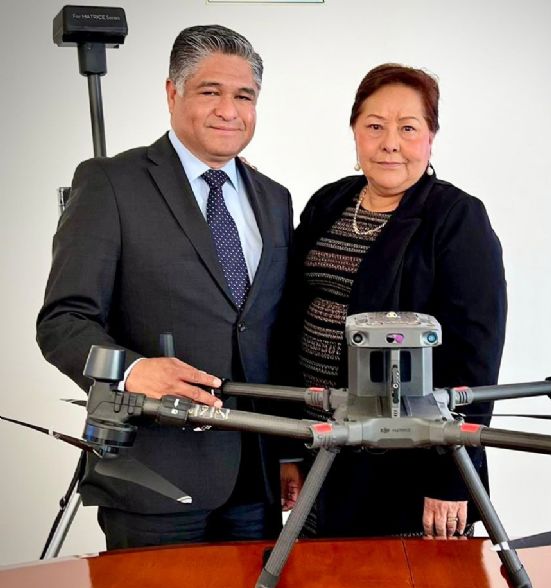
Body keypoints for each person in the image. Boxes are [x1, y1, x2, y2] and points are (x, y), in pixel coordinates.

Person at [37, 25, 300, 549]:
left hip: (256, 481)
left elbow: (274, 329)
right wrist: (133, 371)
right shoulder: (111, 183)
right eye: (210, 91)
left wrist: (290, 451)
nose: (228, 110)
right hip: (153, 477)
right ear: (172, 92)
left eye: (244, 96)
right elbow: (63, 321)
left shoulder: (275, 198)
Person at [278, 64, 507, 539]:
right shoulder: (329, 202)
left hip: (409, 464)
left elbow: (475, 357)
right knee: (320, 581)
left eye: (408, 128)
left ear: (430, 137)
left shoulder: (456, 217)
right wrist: (285, 448)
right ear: (354, 131)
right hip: (319, 446)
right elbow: (287, 317)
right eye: (375, 126)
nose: (390, 143)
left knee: (400, 584)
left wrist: (451, 476)